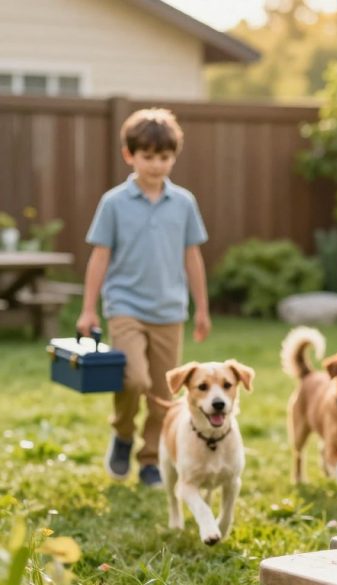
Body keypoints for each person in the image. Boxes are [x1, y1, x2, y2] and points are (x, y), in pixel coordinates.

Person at [76, 108, 211, 488]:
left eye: (164, 157)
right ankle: (122, 433)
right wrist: (89, 308)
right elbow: (99, 256)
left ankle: (150, 459)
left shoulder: (184, 202)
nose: (156, 165)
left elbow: (192, 256)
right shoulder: (114, 202)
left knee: (162, 394)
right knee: (132, 378)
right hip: (125, 308)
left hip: (169, 310)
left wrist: (201, 308)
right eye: (148, 157)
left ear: (174, 157)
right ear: (129, 155)